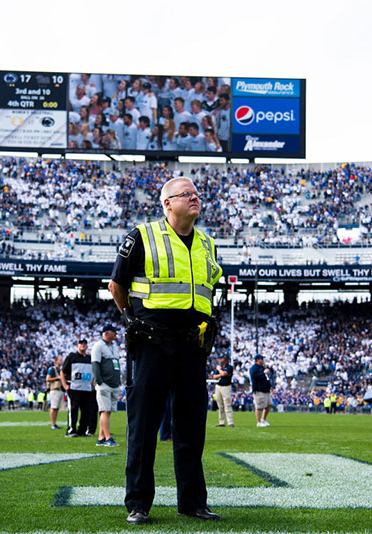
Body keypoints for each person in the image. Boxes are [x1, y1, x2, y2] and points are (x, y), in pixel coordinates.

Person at [108, 176, 223, 524]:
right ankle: (138, 504)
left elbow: (209, 288)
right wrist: (131, 320)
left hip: (192, 345)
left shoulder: (207, 243)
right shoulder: (141, 236)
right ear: (167, 203)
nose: (195, 198)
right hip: (152, 343)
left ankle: (192, 502)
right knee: (143, 427)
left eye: (197, 194)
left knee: (191, 428)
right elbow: (117, 285)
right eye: (186, 194)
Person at [92, 324, 122, 447]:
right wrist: (99, 381)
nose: (116, 333)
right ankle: (108, 438)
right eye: (113, 331)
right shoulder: (98, 346)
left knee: (106, 412)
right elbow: (95, 364)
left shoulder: (114, 347)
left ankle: (101, 438)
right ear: (106, 333)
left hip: (113, 383)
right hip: (105, 383)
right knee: (105, 410)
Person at [61, 339, 97, 437]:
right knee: (73, 409)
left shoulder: (90, 358)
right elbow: (62, 371)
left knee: (86, 410)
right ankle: (71, 430)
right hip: (74, 387)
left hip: (86, 388)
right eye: (81, 344)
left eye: (85, 344)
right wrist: (64, 385)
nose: (83, 345)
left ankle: (82, 430)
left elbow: (92, 372)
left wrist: (92, 384)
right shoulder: (72, 357)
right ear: (78, 345)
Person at [250, 355, 272, 427]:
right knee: (259, 406)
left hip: (266, 389)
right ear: (257, 360)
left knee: (269, 404)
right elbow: (254, 376)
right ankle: (258, 422)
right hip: (259, 389)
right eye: (261, 359)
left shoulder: (262, 367)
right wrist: (263, 373)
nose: (262, 360)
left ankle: (264, 419)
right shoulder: (254, 368)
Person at [213, 355, 234, 427]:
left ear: (225, 359)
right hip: (218, 386)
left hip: (226, 386)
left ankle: (230, 422)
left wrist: (219, 370)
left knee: (227, 404)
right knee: (220, 405)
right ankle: (222, 422)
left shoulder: (229, 367)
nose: (220, 359)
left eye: (221, 358)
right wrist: (221, 373)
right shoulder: (221, 367)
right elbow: (214, 377)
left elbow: (225, 373)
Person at [46, 356, 64, 430]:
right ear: (56, 361)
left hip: (59, 390)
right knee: (53, 407)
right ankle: (52, 424)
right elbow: (48, 379)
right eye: (60, 360)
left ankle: (54, 423)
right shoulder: (52, 369)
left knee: (56, 408)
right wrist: (57, 378)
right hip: (54, 389)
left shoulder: (59, 370)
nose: (61, 361)